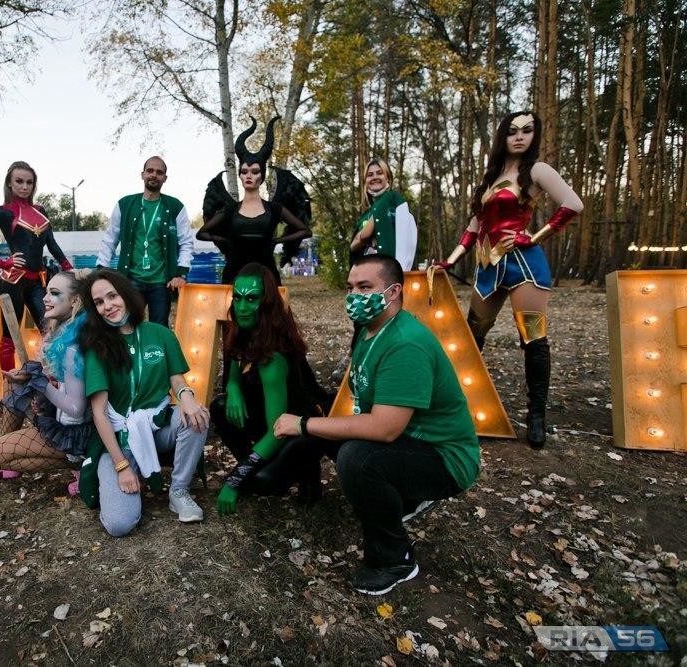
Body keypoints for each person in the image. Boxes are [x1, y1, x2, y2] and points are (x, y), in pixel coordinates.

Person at [273, 254, 480, 595]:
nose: (354, 296)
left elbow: (384, 429)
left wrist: (305, 425)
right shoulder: (373, 331)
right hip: (409, 441)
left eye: (365, 287)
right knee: (331, 432)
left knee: (356, 457)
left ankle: (394, 559)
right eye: (350, 287)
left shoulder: (406, 343)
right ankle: (401, 495)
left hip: (445, 457)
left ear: (394, 291)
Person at [435, 111, 583, 449]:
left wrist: (535, 237)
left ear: (535, 135)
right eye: (512, 131)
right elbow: (474, 228)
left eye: (527, 130)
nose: (519, 137)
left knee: (532, 338)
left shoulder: (537, 171)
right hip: (489, 268)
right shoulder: (490, 177)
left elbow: (573, 203)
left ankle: (536, 416)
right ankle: (461, 408)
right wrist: (451, 259)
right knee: (473, 337)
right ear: (502, 136)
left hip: (524, 267)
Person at [78, 269, 208, 536]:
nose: (107, 306)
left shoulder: (161, 335)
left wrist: (187, 397)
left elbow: (177, 381)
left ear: (125, 294)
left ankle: (179, 491)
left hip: (157, 427)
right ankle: (123, 477)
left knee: (198, 416)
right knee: (119, 525)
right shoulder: (97, 346)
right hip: (119, 440)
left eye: (112, 296)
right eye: (99, 302)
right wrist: (121, 466)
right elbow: (100, 413)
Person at [208, 263, 331, 516]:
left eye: (251, 299)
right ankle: (257, 466)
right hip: (271, 416)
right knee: (220, 406)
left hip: (299, 428)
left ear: (266, 303)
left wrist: (234, 478)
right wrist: (234, 389)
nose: (241, 307)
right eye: (238, 298)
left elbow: (278, 430)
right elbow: (232, 374)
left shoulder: (272, 358)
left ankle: (305, 472)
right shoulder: (239, 332)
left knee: (264, 482)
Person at [0, 270, 93, 484]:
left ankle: (83, 466)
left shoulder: (75, 345)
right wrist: (35, 379)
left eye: (54, 293)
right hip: (61, 415)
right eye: (46, 292)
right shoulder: (64, 329)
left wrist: (41, 385)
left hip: (77, 432)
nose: (44, 298)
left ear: (75, 301)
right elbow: (59, 383)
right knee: (14, 385)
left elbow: (76, 408)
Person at [0, 160, 73, 372]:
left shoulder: (41, 210)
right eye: (19, 181)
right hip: (12, 282)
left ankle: (55, 381)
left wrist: (69, 269)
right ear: (9, 183)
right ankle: (10, 394)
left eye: (29, 182)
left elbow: (51, 244)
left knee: (52, 330)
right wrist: (2, 262)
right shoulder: (2, 212)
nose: (25, 187)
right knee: (10, 337)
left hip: (37, 282)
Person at [198, 117, 312, 285]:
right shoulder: (230, 209)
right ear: (240, 175)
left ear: (262, 175)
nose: (249, 175)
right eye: (244, 171)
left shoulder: (275, 208)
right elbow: (201, 233)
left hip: (267, 276)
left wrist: (278, 240)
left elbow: (305, 231)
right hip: (234, 276)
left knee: (269, 310)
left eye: (254, 171)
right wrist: (226, 241)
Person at [95, 156, 193, 327]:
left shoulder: (175, 207)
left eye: (159, 172)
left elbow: (186, 242)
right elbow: (110, 238)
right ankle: (129, 355)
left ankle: (155, 354)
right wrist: (101, 269)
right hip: (130, 280)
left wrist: (180, 273)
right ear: (142, 174)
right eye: (150, 171)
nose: (154, 175)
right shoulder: (125, 204)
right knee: (127, 325)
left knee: (159, 327)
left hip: (161, 282)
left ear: (165, 178)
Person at [349, 158, 418, 271]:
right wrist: (365, 235)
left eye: (379, 173)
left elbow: (407, 236)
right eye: (370, 175)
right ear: (365, 181)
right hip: (366, 270)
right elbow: (353, 246)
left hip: (390, 270)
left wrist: (366, 235)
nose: (375, 177)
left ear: (388, 179)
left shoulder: (395, 202)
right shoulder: (365, 215)